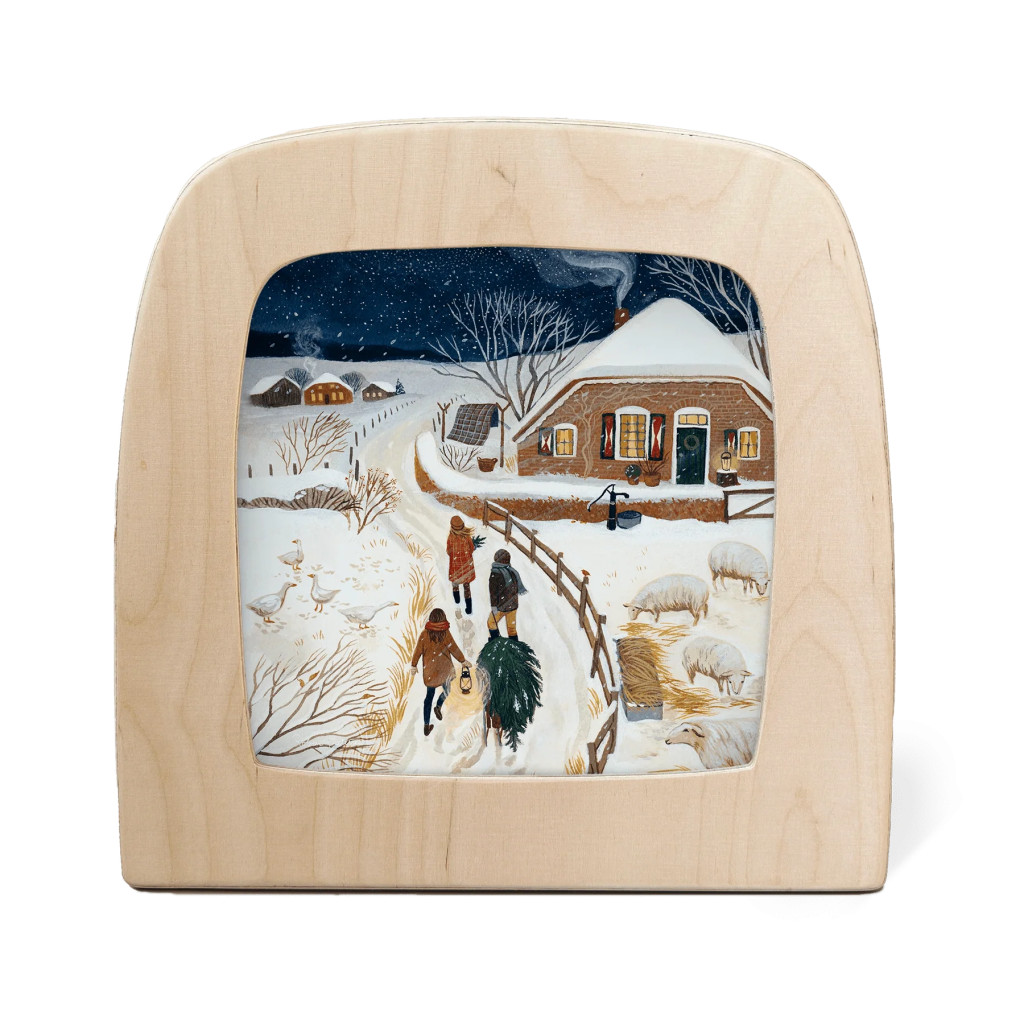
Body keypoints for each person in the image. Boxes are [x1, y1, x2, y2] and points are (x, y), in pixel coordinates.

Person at [410, 608, 468, 737]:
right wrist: (462, 660)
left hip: (430, 671)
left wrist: (414, 665)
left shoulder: (425, 634)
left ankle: (426, 725)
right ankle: (438, 706)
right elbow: (453, 648)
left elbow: (418, 651)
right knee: (447, 690)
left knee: (428, 697)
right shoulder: (445, 633)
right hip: (444, 669)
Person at [487, 547, 527, 639]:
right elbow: (515, 588)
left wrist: (494, 606)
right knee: (511, 628)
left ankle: (496, 642)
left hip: (500, 606)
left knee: (491, 623)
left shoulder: (495, 574)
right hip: (512, 605)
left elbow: (493, 592)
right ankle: (515, 646)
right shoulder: (512, 571)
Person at [446, 515, 477, 614]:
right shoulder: (466, 536)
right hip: (466, 565)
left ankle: (457, 601)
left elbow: (448, 551)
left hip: (455, 565)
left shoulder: (451, 537)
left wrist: (455, 555)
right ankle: (469, 608)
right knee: (466, 586)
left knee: (455, 583)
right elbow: (472, 548)